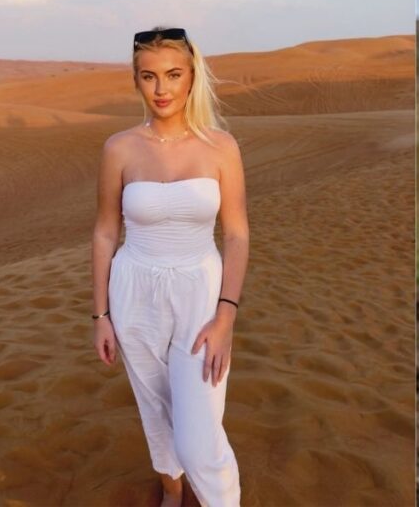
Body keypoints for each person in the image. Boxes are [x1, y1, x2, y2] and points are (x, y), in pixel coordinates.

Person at [91, 26, 248, 507]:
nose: (161, 89)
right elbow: (104, 231)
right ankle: (173, 490)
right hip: (133, 291)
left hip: (200, 293)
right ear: (135, 80)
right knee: (155, 408)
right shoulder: (119, 147)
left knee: (199, 437)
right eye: (148, 76)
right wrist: (100, 315)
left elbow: (237, 233)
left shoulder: (222, 147)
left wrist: (226, 316)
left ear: (192, 76)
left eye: (173, 75)